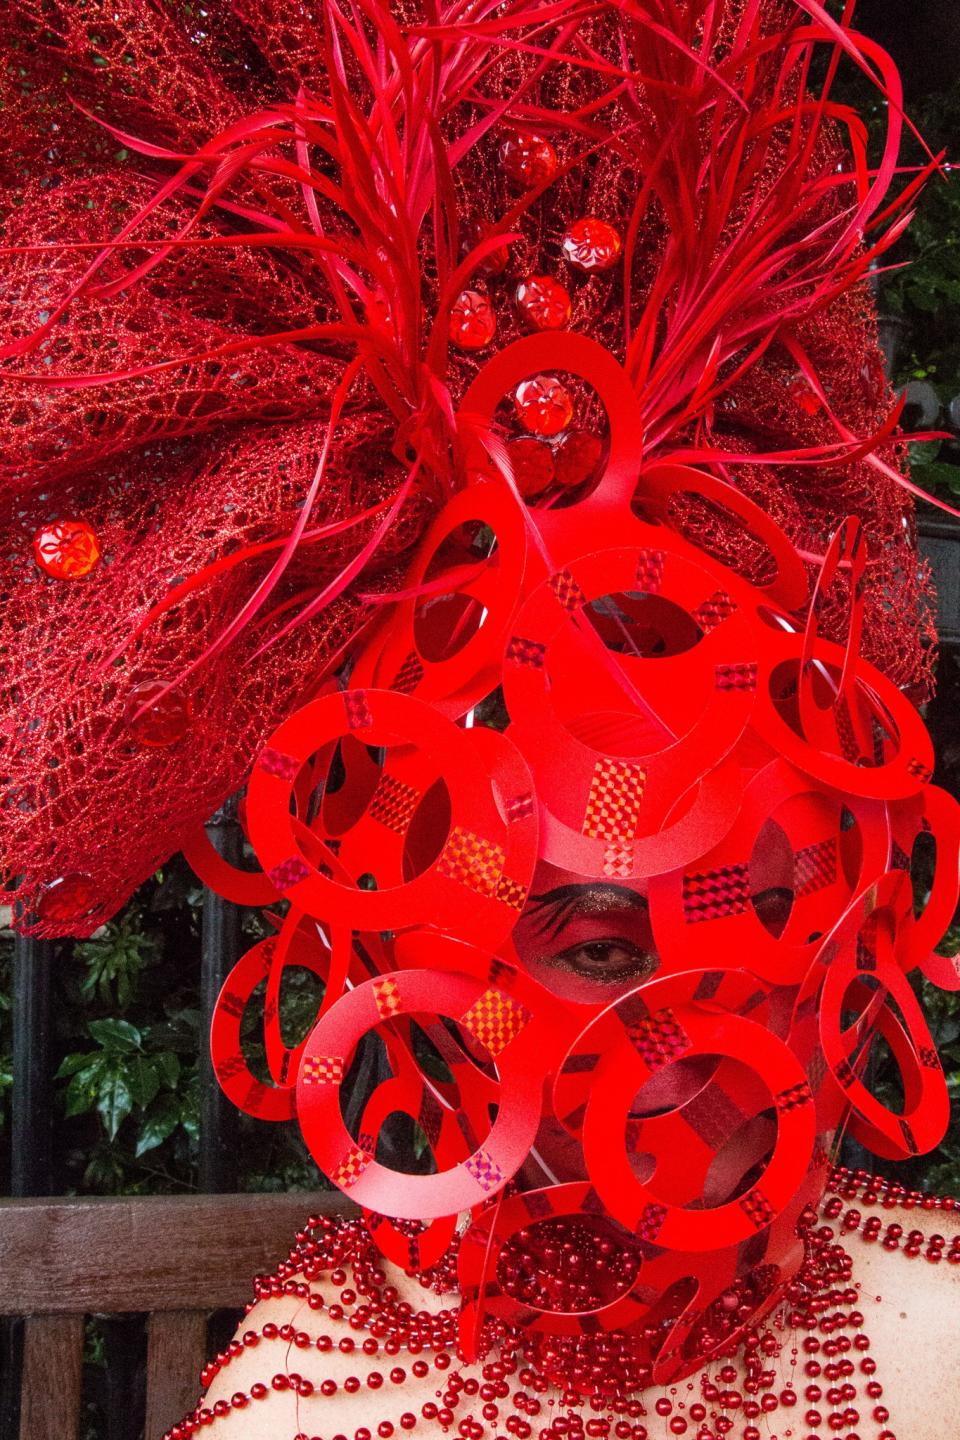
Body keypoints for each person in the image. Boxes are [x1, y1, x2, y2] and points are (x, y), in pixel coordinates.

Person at [2, 2, 959, 1439]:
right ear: (404, 953)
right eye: (592, 946)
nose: (716, 1010)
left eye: (779, 906)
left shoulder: (934, 1323)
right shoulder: (308, 1406)